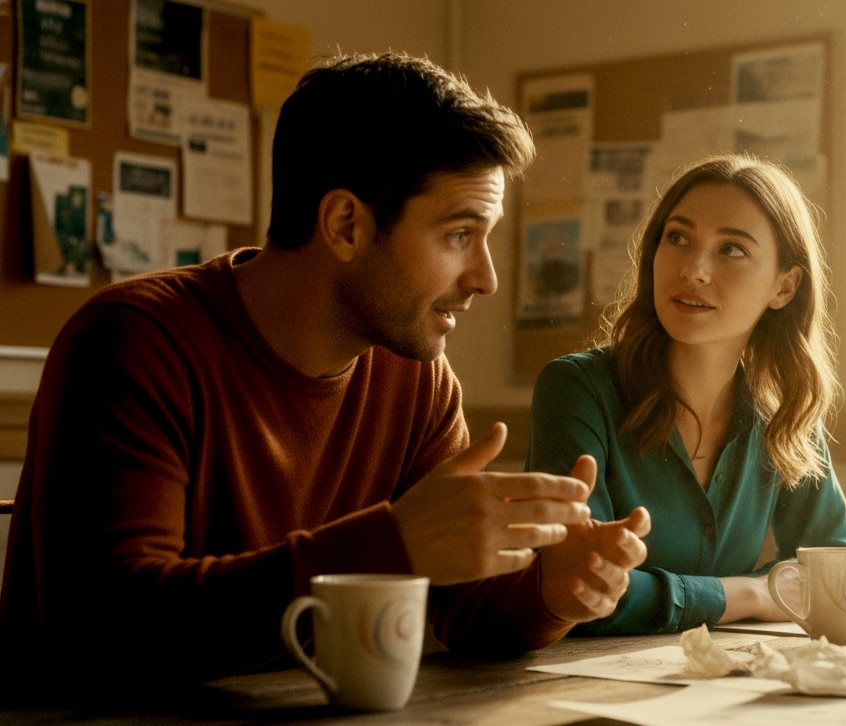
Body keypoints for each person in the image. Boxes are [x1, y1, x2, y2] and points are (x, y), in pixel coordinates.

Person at [0, 52, 650, 697]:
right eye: (459, 235)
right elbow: (108, 628)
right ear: (345, 224)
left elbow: (464, 610)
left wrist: (552, 592)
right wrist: (387, 548)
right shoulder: (135, 341)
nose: (486, 277)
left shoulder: (416, 376)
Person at [526, 154, 846, 635]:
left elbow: (841, 573)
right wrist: (749, 592)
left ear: (784, 288)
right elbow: (584, 591)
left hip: (718, 688)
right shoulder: (576, 389)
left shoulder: (783, 412)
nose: (694, 270)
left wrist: (684, 596)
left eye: (731, 250)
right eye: (678, 238)